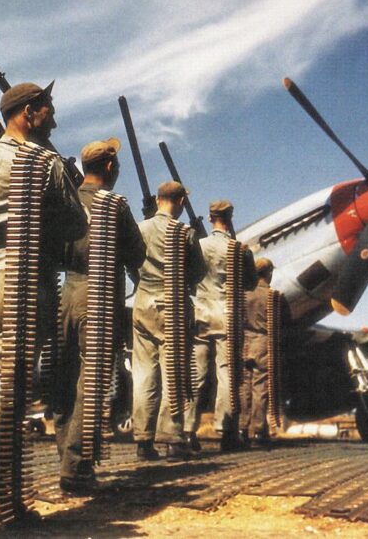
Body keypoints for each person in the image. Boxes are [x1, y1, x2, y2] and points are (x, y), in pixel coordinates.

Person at [0, 81, 87, 527]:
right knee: (4, 385)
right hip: (20, 276)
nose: (53, 118)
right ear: (28, 113)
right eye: (48, 110)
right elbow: (76, 224)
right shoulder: (45, 162)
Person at [53, 138, 145, 494]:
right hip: (101, 293)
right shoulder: (115, 204)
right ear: (109, 168)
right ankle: (77, 468)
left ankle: (68, 458)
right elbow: (137, 254)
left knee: (63, 379)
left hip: (68, 290)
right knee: (92, 383)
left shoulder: (67, 198)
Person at [131, 181, 207, 461]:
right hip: (172, 305)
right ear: (181, 203)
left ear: (158, 199)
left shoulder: (141, 228)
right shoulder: (184, 232)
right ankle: (174, 438)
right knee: (174, 374)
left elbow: (131, 262)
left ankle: (143, 440)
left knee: (143, 375)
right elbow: (198, 273)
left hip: (143, 303)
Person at [187, 200, 257, 450]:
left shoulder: (199, 246)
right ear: (231, 217)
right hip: (228, 315)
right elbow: (250, 284)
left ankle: (187, 432)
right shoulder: (239, 249)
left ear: (209, 217)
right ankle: (227, 432)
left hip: (202, 314)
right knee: (227, 375)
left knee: (197, 374)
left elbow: (189, 278)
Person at [241, 257, 289, 443]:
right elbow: (286, 322)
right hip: (263, 343)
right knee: (260, 388)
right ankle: (259, 430)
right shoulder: (275, 296)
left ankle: (241, 429)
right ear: (268, 273)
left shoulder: (244, 294)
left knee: (243, 386)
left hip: (244, 342)